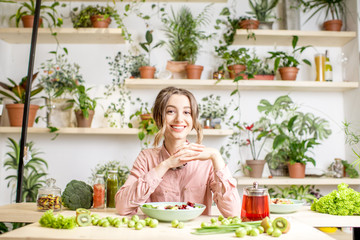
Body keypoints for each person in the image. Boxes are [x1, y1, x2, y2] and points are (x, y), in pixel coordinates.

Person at [115, 86, 241, 217]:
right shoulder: (146, 158)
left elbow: (233, 213)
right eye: (171, 111)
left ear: (193, 120)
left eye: (187, 112)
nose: (179, 119)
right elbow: (122, 207)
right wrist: (165, 165)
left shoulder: (207, 161)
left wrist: (216, 156)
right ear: (159, 118)